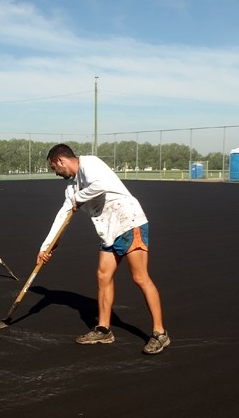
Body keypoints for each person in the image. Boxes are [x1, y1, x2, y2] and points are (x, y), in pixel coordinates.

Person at [37, 144, 170, 355]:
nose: (55, 172)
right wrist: (46, 246)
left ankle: (160, 333)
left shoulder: (90, 163)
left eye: (54, 167)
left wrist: (78, 200)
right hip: (109, 230)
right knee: (103, 276)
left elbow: (100, 184)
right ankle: (104, 329)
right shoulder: (71, 188)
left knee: (140, 277)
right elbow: (62, 216)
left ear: (60, 161)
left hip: (129, 222)